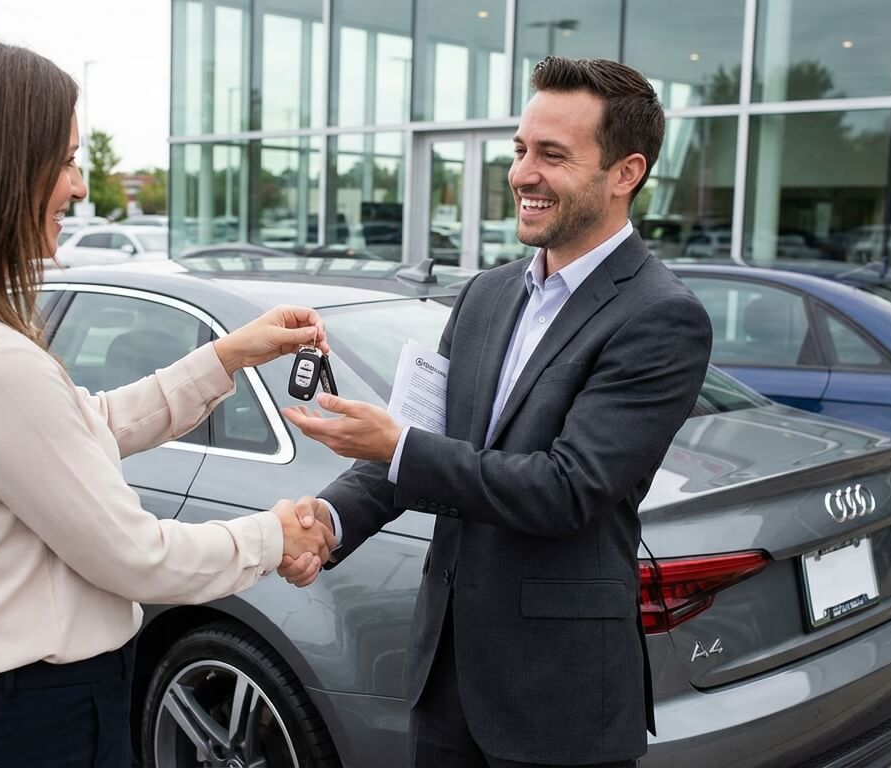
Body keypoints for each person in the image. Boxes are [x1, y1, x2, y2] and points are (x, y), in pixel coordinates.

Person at [0, 36, 334, 768]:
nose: (79, 187)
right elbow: (134, 556)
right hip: (38, 725)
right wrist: (275, 535)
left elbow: (81, 428)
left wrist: (227, 355)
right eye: (68, 159)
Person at [280, 57, 713, 768]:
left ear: (625, 173)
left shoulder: (662, 317)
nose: (521, 174)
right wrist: (327, 524)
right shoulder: (487, 293)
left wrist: (396, 446)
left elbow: (567, 489)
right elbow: (424, 445)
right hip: (446, 679)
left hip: (560, 701)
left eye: (552, 154)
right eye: (519, 150)